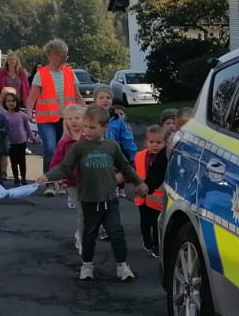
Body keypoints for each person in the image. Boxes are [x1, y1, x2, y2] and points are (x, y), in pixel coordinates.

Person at [37, 105, 147, 281]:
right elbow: (65, 168)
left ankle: (122, 266)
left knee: (116, 232)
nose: (87, 130)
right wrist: (48, 176)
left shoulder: (111, 146)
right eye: (86, 126)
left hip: (110, 199)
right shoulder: (79, 147)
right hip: (88, 199)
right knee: (89, 234)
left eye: (92, 127)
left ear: (104, 128)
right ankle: (87, 265)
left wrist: (139, 182)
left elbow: (125, 166)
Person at [24, 39, 80, 175]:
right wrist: (29, 112)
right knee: (50, 148)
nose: (64, 58)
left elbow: (77, 95)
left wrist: (87, 112)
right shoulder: (41, 74)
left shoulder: (69, 73)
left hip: (66, 119)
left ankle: (62, 179)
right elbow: (32, 96)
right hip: (46, 119)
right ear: (51, 55)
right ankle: (49, 178)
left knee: (65, 149)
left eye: (66, 55)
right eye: (62, 55)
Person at [134, 124, 168, 256]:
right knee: (145, 222)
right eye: (151, 142)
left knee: (156, 222)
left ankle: (157, 246)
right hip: (142, 197)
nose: (155, 145)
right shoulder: (140, 156)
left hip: (157, 198)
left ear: (165, 143)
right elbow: (132, 171)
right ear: (146, 142)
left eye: (159, 142)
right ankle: (147, 240)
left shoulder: (165, 158)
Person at [49, 103, 88, 212]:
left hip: (89, 180)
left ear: (84, 120)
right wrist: (56, 177)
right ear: (66, 122)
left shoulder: (88, 139)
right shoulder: (64, 143)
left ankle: (97, 226)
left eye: (77, 118)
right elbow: (56, 162)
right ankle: (82, 229)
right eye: (70, 119)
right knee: (81, 210)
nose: (73, 121)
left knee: (91, 207)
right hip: (72, 181)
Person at [0, 90, 33, 187]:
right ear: (5, 103)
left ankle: (23, 178)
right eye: (8, 101)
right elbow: (1, 130)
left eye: (13, 101)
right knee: (14, 162)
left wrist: (33, 138)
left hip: (22, 142)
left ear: (17, 102)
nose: (11, 103)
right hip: (10, 143)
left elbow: (27, 128)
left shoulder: (22, 115)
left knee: (22, 161)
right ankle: (16, 178)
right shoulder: (3, 116)